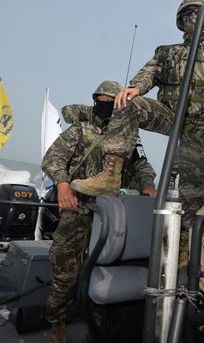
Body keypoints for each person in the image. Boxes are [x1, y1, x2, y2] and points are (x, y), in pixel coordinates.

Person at [71, 0, 204, 234]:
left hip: (201, 129)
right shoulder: (167, 53)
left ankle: (187, 253)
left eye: (197, 13)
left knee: (192, 197)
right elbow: (148, 73)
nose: (193, 18)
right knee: (126, 101)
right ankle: (111, 173)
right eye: (187, 14)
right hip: (170, 116)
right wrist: (136, 88)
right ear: (180, 21)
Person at [42, 80, 157, 343]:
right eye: (100, 101)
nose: (104, 106)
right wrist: (62, 186)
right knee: (66, 272)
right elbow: (53, 159)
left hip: (110, 219)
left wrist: (148, 184)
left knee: (103, 272)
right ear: (95, 102)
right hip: (78, 211)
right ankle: (58, 323)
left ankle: (96, 322)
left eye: (110, 101)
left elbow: (142, 164)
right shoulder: (81, 130)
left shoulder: (129, 136)